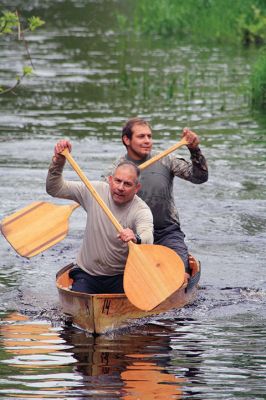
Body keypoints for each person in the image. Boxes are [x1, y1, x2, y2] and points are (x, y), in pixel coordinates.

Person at [46, 139, 153, 294]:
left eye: (127, 184)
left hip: (122, 276)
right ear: (110, 180)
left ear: (137, 188)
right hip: (87, 274)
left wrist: (136, 238)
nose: (120, 188)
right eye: (117, 181)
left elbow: (148, 237)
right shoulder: (94, 191)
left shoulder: (141, 210)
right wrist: (58, 162)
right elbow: (54, 189)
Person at [104, 117, 208, 275]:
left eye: (149, 136)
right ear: (126, 139)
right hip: (131, 235)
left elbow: (200, 177)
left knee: (180, 273)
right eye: (141, 136)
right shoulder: (115, 172)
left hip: (167, 233)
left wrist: (194, 150)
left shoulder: (166, 160)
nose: (147, 141)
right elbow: (103, 205)